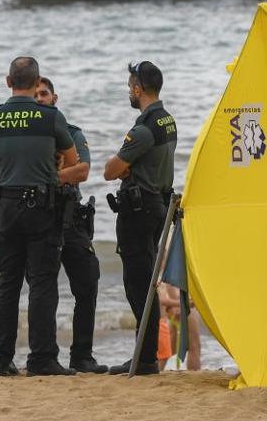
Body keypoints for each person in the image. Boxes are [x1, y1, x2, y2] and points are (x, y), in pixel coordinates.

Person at [0, 56, 79, 377]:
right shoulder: (51, 117)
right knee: (41, 284)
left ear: (7, 81)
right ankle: (41, 357)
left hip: (6, 207)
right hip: (40, 206)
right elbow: (71, 159)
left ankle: (1, 359)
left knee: (7, 284)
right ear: (36, 80)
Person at [103, 60, 177, 376]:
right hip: (156, 208)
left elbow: (110, 171)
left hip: (138, 211)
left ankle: (144, 358)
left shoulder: (144, 129)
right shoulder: (168, 121)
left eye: (129, 88)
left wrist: (127, 168)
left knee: (138, 285)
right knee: (147, 282)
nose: (128, 93)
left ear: (138, 89)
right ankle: (145, 355)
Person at [34, 76, 107, 373]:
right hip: (41, 219)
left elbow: (84, 170)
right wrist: (63, 170)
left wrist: (52, 176)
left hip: (71, 218)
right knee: (43, 290)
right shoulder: (29, 138)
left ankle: (82, 356)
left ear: (55, 98)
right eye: (36, 94)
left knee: (88, 284)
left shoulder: (71, 133)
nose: (40, 98)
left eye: (45, 93)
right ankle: (45, 357)